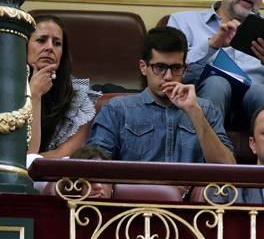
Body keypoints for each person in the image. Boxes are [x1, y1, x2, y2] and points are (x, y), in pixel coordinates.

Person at [87, 26, 235, 168]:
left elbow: (228, 170)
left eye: (176, 68)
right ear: (143, 67)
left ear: (185, 70)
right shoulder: (117, 109)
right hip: (135, 193)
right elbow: (96, 167)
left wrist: (194, 112)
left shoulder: (205, 110)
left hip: (190, 194)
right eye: (160, 68)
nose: (168, 77)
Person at [26, 15, 101, 157]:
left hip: (52, 176)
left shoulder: (77, 96)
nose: (49, 47)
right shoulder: (6, 86)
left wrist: (36, 96)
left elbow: (63, 155)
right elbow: (26, 155)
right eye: (41, 40)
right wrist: (34, 94)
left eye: (57, 43)